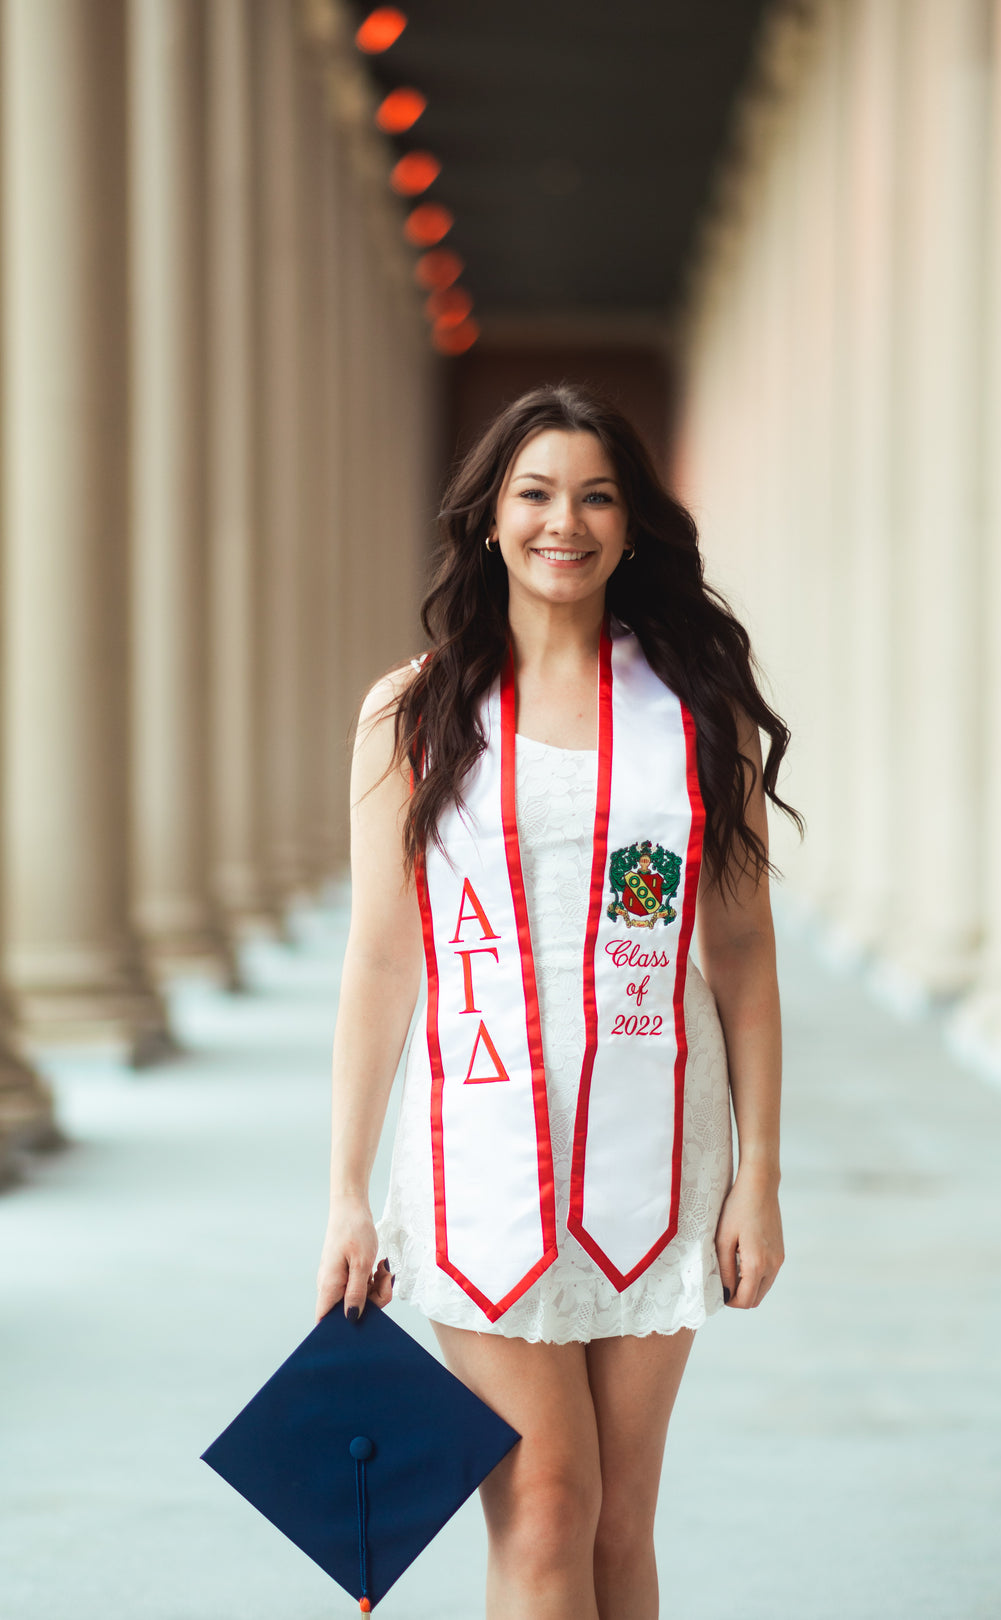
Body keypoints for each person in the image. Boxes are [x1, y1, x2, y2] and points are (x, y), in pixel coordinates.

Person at [316, 383, 801, 1620]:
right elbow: (382, 957)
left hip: (656, 1162)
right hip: (482, 1166)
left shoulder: (695, 720)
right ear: (491, 518)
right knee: (544, 1516)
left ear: (633, 527)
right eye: (535, 493)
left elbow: (741, 956)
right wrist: (345, 1194)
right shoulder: (415, 714)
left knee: (620, 1530)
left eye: (596, 496)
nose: (563, 522)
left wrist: (760, 1177)